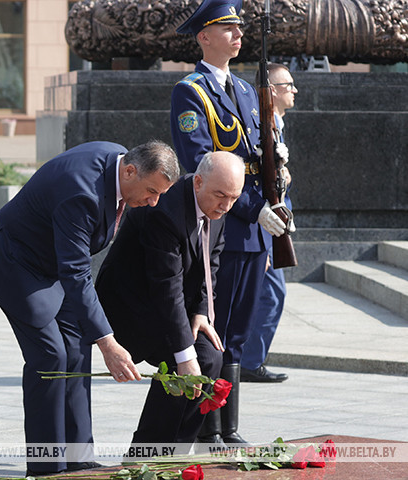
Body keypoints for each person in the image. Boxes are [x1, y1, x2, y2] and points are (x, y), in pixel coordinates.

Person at [0, 140, 180, 476]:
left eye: (160, 195)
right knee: (51, 356)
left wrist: (98, 337)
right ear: (129, 171)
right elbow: (76, 274)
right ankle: (47, 467)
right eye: (151, 191)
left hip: (52, 264)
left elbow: (75, 269)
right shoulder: (81, 192)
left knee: (78, 346)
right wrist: (109, 343)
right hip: (15, 262)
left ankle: (80, 458)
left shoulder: (120, 158)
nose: (153, 202)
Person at [170, 0, 287, 446]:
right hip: (224, 223)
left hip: (258, 227)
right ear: (203, 36)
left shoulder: (244, 89)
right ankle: (204, 426)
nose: (238, 35)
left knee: (238, 329)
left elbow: (259, 154)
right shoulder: (191, 91)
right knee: (213, 330)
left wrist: (280, 163)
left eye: (239, 28)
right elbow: (200, 161)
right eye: (227, 28)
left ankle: (228, 427)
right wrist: (249, 207)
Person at [96, 151, 245, 451]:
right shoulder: (165, 211)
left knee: (210, 356)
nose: (226, 205)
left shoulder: (217, 203)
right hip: (133, 305)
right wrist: (184, 355)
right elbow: (166, 288)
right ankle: (147, 453)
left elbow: (210, 261)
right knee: (185, 362)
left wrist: (201, 311)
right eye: (220, 196)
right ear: (199, 182)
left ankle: (176, 450)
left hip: (170, 302)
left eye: (233, 197)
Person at [241, 63, 297, 383]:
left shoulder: (276, 124)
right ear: (271, 91)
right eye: (287, 84)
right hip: (263, 224)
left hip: (275, 221)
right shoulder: (261, 125)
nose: (294, 90)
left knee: (269, 295)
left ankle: (249, 359)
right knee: (271, 296)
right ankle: (248, 361)